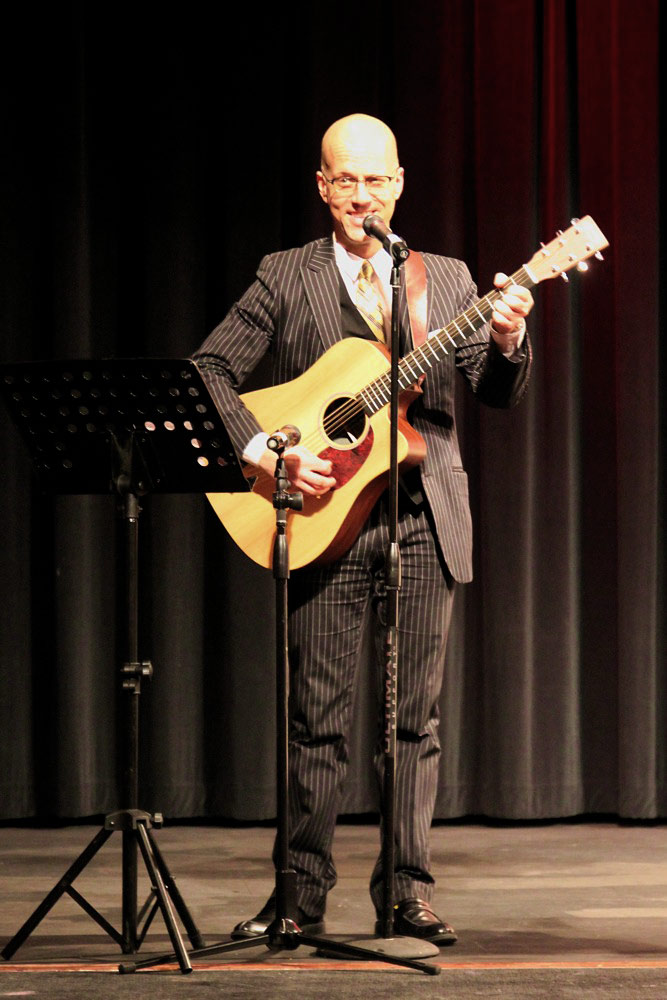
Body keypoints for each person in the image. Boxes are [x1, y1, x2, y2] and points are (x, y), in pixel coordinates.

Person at [194, 113, 533, 945]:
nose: (361, 195)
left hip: (422, 516)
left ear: (399, 183)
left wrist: (507, 337)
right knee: (316, 718)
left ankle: (406, 894)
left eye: (375, 179)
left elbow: (493, 391)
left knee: (413, 722)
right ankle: (297, 896)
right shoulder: (286, 275)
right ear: (322, 187)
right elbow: (208, 369)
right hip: (324, 518)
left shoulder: (444, 278)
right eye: (345, 180)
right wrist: (266, 454)